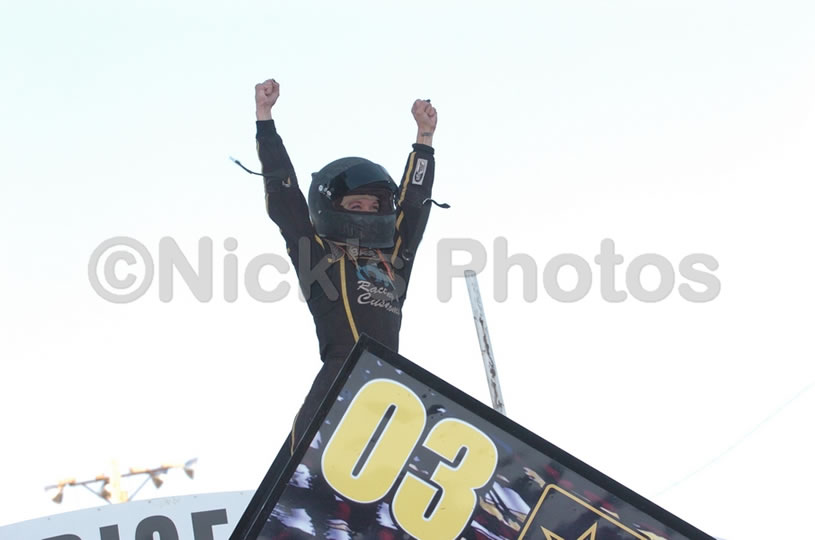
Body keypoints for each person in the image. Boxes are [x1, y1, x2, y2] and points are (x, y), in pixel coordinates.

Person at [253, 78, 439, 450]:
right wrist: (264, 119)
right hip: (338, 381)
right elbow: (285, 198)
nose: (367, 212)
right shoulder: (318, 255)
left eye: (374, 206)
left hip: (390, 388)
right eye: (356, 205)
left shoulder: (393, 261)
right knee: (300, 468)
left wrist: (425, 138)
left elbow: (414, 204)